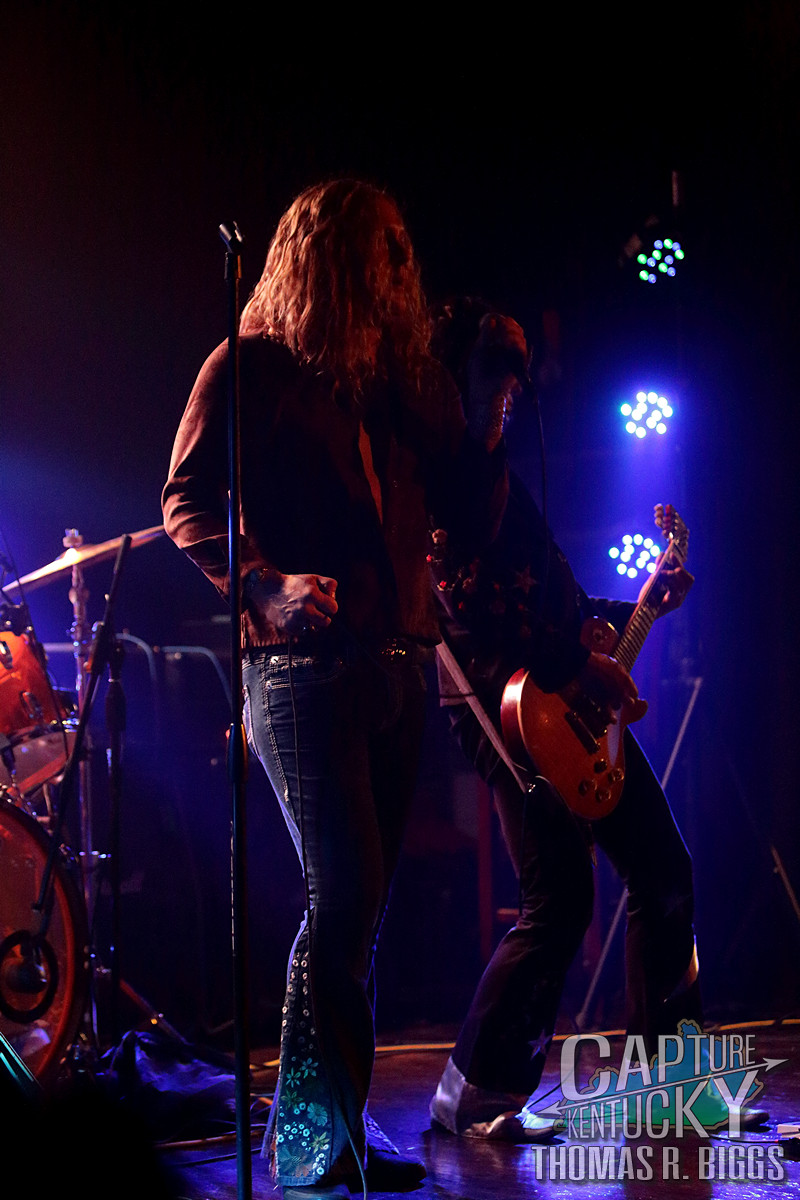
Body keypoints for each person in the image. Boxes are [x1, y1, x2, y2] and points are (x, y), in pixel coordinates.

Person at [161, 184, 520, 1199]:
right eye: (379, 249)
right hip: (298, 669)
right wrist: (262, 585)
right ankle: (317, 1141)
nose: (398, 269)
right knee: (347, 893)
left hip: (399, 664)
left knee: (358, 908)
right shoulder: (249, 364)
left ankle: (328, 1130)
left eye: (402, 250)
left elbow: (470, 515)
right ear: (324, 257)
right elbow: (184, 498)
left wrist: (485, 416)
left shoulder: (398, 384)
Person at [426, 297, 705, 1141]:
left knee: (661, 870)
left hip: (562, 697)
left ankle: (668, 1089)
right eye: (492, 378)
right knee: (561, 898)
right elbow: (472, 613)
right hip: (510, 706)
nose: (509, 395)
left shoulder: (507, 484)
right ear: (454, 381)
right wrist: (573, 662)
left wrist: (639, 603)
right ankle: (473, 1094)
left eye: (513, 383)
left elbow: (560, 609)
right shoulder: (444, 482)